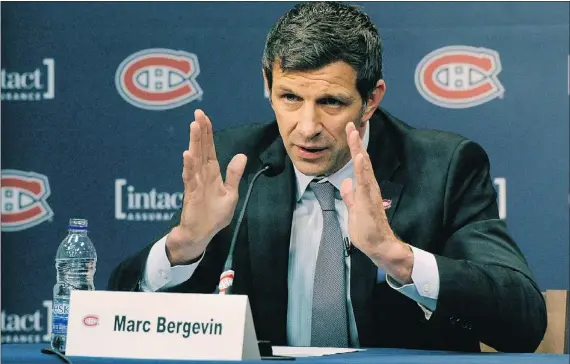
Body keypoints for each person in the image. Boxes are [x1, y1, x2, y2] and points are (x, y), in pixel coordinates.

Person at [108, 1, 546, 353]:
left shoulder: (445, 167)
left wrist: (397, 258)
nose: (307, 126)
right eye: (290, 97)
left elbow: (524, 322)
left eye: (331, 103)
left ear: (371, 99)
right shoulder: (234, 163)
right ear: (268, 85)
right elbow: (118, 318)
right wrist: (184, 246)